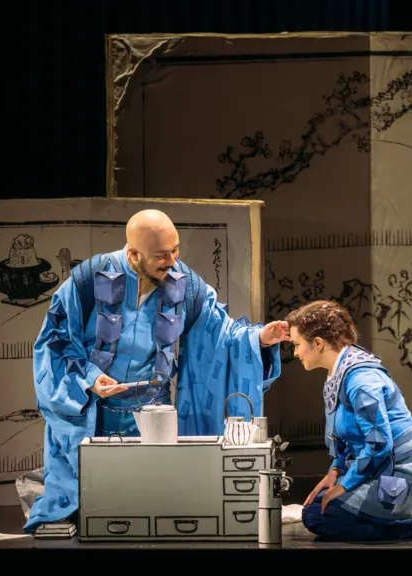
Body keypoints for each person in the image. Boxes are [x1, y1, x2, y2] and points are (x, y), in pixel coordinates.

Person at [22, 209, 289, 532]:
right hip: (95, 411)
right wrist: (92, 379)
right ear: (134, 253)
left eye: (175, 250)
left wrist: (260, 338)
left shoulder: (185, 284)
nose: (172, 261)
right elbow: (56, 341)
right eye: (162, 255)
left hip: (152, 414)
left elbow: (220, 334)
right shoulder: (87, 280)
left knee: (149, 508)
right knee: (92, 512)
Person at [286, 300, 412, 541]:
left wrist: (345, 485)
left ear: (318, 343)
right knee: (317, 507)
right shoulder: (339, 372)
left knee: (317, 516)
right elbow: (350, 435)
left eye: (296, 345)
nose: (295, 353)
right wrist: (336, 471)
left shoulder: (361, 380)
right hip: (380, 465)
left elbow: (379, 444)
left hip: (402, 470)